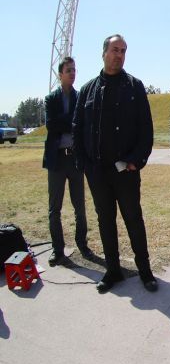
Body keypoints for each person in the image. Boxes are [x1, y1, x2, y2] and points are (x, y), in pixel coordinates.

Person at [72, 34, 158, 293]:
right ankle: (112, 270)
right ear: (104, 53)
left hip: (125, 171)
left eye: (123, 51)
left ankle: (145, 271)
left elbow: (146, 129)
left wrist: (136, 161)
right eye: (115, 50)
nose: (119, 55)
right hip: (97, 171)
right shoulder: (87, 90)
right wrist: (84, 164)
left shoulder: (134, 86)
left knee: (133, 219)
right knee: (105, 221)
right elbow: (77, 129)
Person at [43, 57, 93, 266]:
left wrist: (67, 121)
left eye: (74, 70)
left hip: (74, 159)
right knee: (54, 209)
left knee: (79, 206)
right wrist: (71, 120)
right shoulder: (50, 99)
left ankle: (82, 245)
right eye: (68, 70)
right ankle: (58, 250)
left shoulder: (79, 97)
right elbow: (51, 125)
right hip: (56, 160)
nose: (72, 73)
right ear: (60, 74)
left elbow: (81, 125)